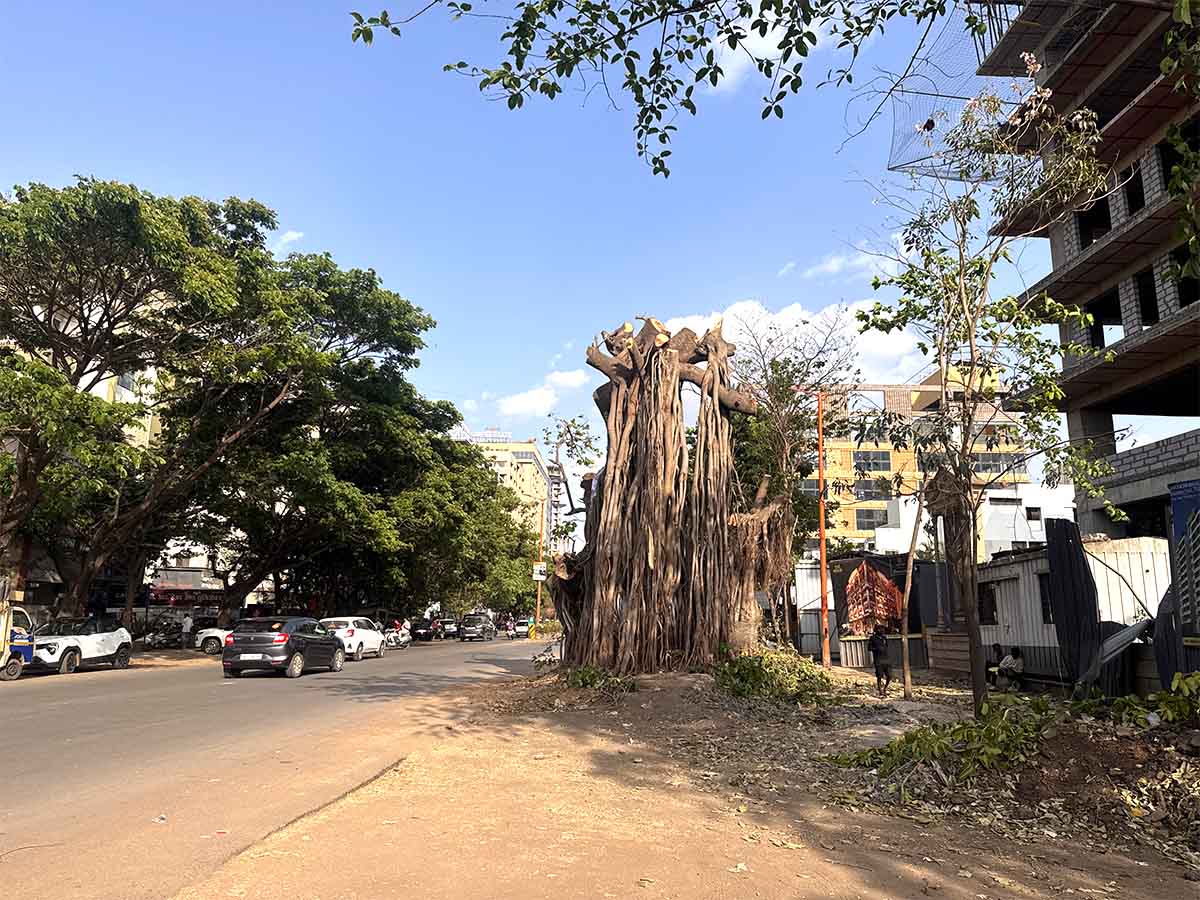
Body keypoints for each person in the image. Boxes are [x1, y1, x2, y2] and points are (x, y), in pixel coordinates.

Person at [867, 625, 891, 698]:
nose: (882, 630)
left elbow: (886, 646)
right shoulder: (872, 638)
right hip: (878, 660)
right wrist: (877, 649)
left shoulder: (884, 638)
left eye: (883, 629)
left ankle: (885, 688)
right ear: (876, 630)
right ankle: (880, 690)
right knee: (879, 676)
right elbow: (869, 648)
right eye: (880, 629)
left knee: (889, 676)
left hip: (886, 659)